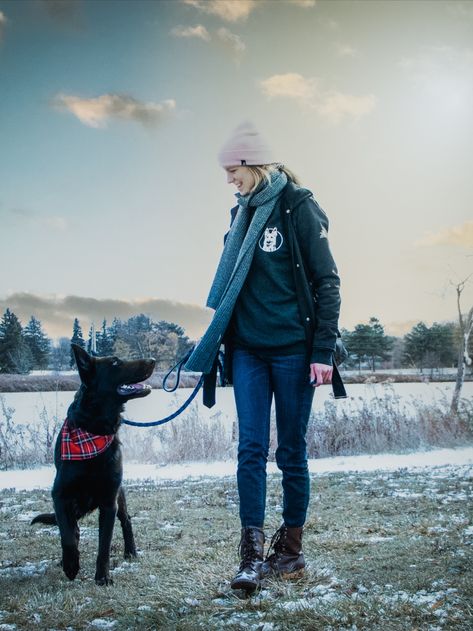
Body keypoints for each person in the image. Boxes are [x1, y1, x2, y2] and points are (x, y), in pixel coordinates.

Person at [185, 120, 342, 593]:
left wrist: (323, 350)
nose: (228, 180)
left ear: (254, 164)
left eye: (232, 170)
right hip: (249, 351)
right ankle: (251, 556)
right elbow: (232, 291)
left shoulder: (299, 206)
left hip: (295, 351)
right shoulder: (239, 218)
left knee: (291, 452)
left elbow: (327, 283)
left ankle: (290, 552)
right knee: (249, 450)